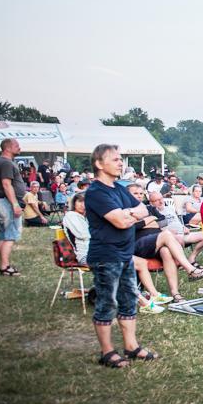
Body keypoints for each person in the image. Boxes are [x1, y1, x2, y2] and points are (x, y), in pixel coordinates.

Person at [84, 144, 158, 369]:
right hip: (106, 255)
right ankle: (107, 352)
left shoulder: (119, 189)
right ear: (99, 163)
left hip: (126, 254)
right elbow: (120, 221)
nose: (120, 163)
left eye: (120, 159)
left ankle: (131, 346)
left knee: (128, 302)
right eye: (115, 159)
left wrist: (129, 214)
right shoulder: (96, 192)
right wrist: (130, 215)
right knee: (107, 303)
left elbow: (145, 210)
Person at [126, 184, 203, 301]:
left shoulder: (149, 208)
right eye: (135, 193)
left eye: (141, 193)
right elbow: (131, 227)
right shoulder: (126, 211)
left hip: (156, 243)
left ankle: (175, 294)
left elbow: (163, 222)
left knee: (166, 251)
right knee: (166, 234)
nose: (139, 196)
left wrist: (145, 222)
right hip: (138, 245)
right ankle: (189, 269)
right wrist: (151, 219)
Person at [0, 138, 26, 276]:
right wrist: (15, 204)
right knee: (10, 236)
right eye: (17, 145)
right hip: (7, 203)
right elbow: (6, 184)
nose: (19, 148)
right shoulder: (6, 163)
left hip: (1, 201)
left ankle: (4, 265)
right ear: (8, 148)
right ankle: (5, 267)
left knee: (3, 235)